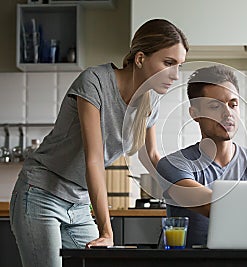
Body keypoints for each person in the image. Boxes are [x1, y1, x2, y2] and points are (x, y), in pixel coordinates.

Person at [10, 19, 188, 267]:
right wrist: (106, 231)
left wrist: (189, 193)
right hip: (42, 193)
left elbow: (153, 156)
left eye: (179, 65)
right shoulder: (94, 81)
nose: (175, 75)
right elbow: (93, 159)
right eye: (168, 63)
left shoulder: (151, 100)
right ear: (140, 59)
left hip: (79, 202)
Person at [156, 65, 247, 247]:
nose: (227, 113)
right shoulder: (173, 165)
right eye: (215, 106)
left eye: (233, 104)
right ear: (195, 114)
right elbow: (213, 205)